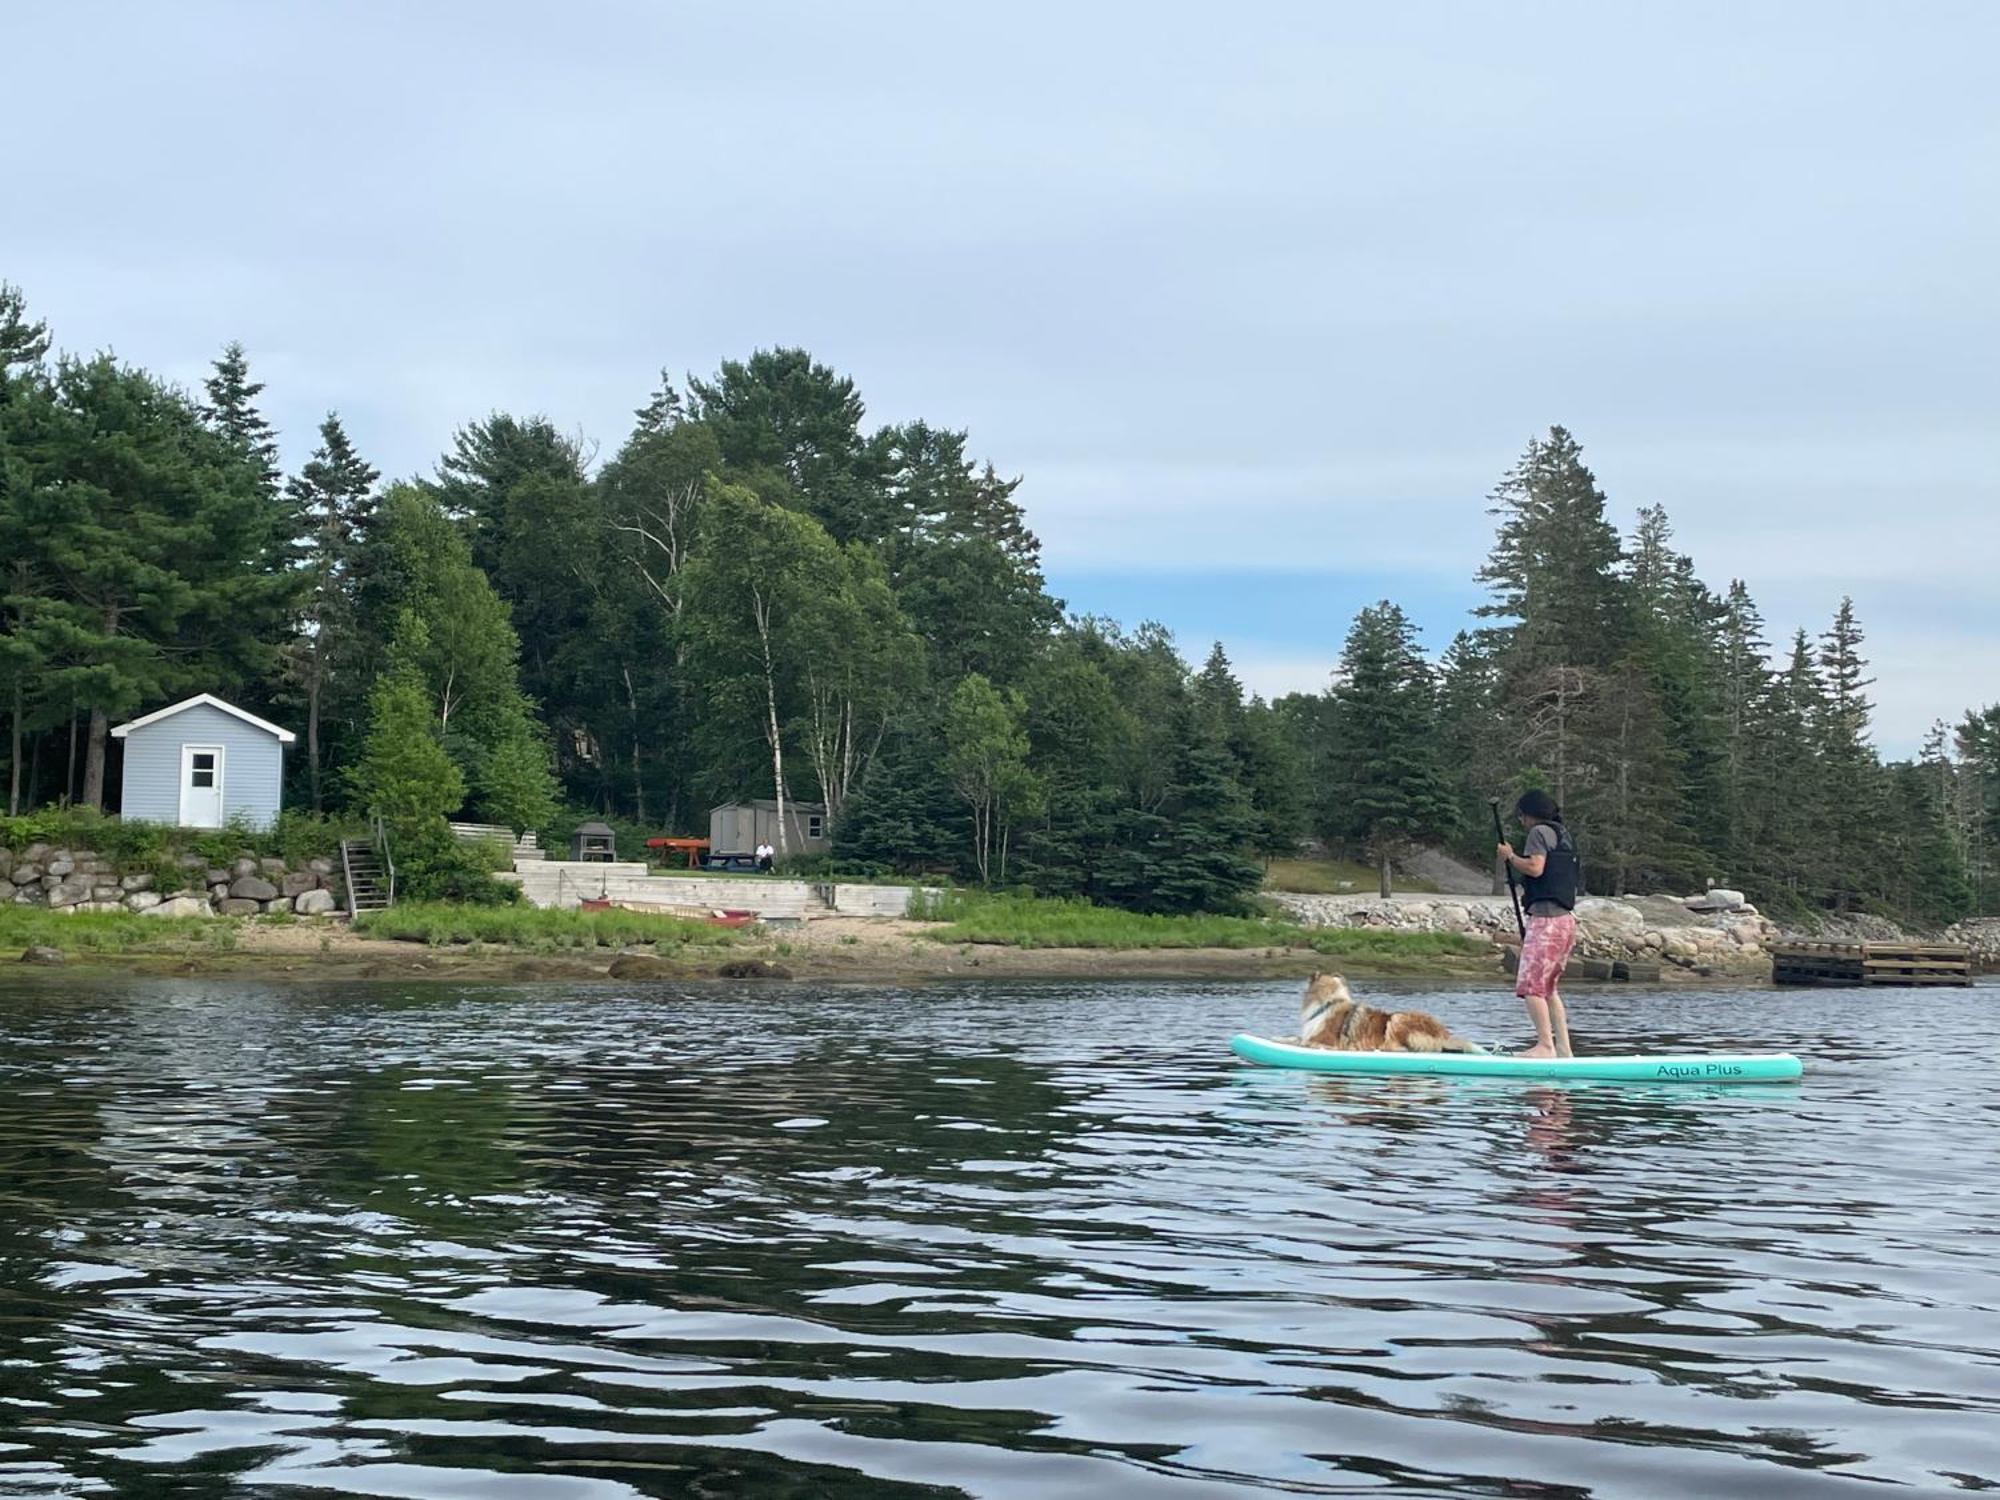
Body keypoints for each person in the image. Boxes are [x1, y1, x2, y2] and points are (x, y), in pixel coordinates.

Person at [1497, 790, 1580, 1059]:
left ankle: (1545, 1046)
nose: (1521, 822)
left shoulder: (1538, 833)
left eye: (1521, 816)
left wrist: (1510, 856)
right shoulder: (1563, 834)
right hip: (1566, 922)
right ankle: (1563, 1048)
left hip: (1547, 920)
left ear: (1529, 814)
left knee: (1531, 985)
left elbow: (1535, 868)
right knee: (1549, 988)